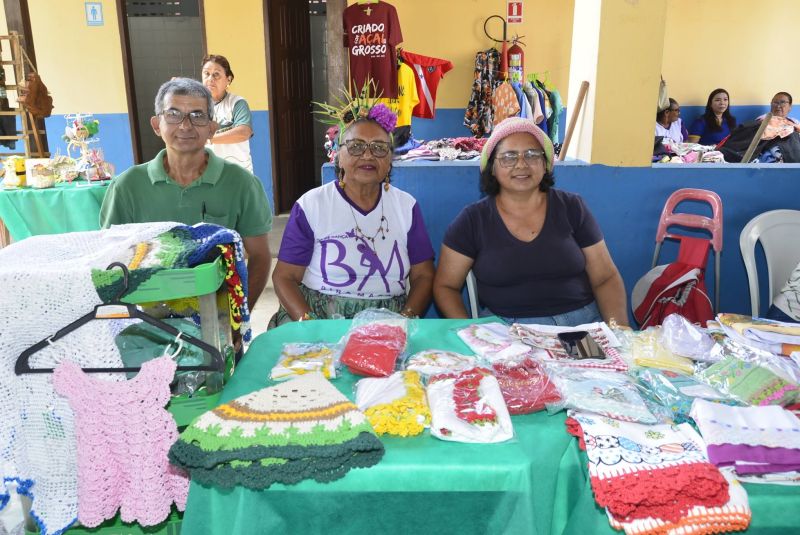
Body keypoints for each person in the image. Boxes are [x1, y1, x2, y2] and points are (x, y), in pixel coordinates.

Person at [433, 117, 628, 327]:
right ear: (492, 168)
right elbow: (446, 286)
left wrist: (619, 330)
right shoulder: (472, 220)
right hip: (506, 331)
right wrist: (469, 332)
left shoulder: (572, 207)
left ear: (545, 164)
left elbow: (605, 277)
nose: (521, 164)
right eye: (508, 157)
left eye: (532, 155)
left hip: (580, 324)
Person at [99, 78, 272, 307]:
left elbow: (260, 256)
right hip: (145, 317)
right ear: (156, 125)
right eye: (173, 114)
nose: (185, 125)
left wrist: (239, 315)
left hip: (217, 313)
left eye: (197, 115)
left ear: (212, 128)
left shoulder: (242, 184)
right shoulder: (126, 187)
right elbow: (110, 257)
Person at [270, 101, 435, 326]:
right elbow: (284, 277)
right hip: (318, 317)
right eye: (356, 146)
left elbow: (424, 275)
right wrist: (310, 325)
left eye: (379, 148)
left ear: (390, 160)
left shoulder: (406, 206)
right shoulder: (312, 205)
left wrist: (403, 321)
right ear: (339, 155)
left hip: (388, 320)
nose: (367, 155)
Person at [201, 54, 254, 172]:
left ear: (228, 79)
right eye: (206, 73)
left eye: (216, 74)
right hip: (210, 175)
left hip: (238, 175)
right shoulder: (196, 106)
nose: (210, 79)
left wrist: (208, 139)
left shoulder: (237, 103)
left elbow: (244, 132)